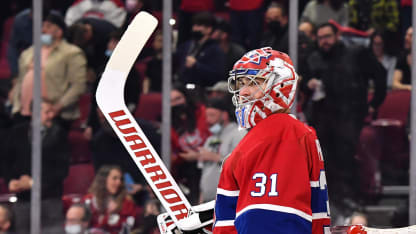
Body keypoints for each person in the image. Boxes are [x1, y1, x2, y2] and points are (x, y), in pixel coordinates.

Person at [160, 47, 331, 233]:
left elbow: (270, 220)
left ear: (281, 85)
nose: (243, 92)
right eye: (241, 84)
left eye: (253, 83)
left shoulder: (279, 132)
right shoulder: (270, 133)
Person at [301, 23, 386, 214]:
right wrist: (308, 84)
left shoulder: (356, 53)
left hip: (350, 115)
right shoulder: (312, 57)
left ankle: (350, 199)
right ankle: (329, 201)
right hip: (321, 117)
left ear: (337, 35)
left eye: (328, 36)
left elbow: (380, 74)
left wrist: (375, 104)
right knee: (325, 160)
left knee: (346, 158)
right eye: (321, 37)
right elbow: (304, 82)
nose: (325, 41)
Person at [10, 11, 87, 130]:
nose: (42, 30)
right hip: (25, 112)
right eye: (42, 26)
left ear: (59, 31)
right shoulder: (29, 52)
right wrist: (16, 103)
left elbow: (78, 86)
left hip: (54, 114)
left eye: (48, 26)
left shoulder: (72, 53)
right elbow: (21, 80)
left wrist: (58, 106)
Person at [2, 99, 70, 234]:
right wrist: (10, 180)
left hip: (50, 200)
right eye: (47, 112)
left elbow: (62, 170)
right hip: (22, 201)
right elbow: (5, 161)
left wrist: (33, 182)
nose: (51, 115)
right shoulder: (16, 133)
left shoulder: (59, 135)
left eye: (52, 111)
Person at [179, 97, 247, 203]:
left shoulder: (238, 134)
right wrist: (201, 199)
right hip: (208, 200)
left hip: (229, 200)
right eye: (206, 116)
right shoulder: (211, 138)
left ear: (224, 115)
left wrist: (215, 157)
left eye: (212, 115)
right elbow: (205, 172)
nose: (208, 120)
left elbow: (243, 164)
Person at [174, 12, 226, 88]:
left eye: (198, 26)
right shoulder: (186, 46)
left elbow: (217, 75)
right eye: (194, 25)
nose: (195, 29)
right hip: (182, 85)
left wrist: (196, 65)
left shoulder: (215, 50)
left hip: (203, 88)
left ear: (209, 29)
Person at [83, 165, 136, 234]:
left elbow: (127, 228)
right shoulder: (89, 200)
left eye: (121, 179)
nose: (119, 182)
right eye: (114, 178)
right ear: (103, 179)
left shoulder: (127, 203)